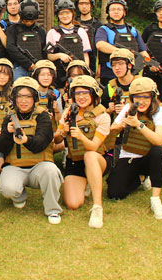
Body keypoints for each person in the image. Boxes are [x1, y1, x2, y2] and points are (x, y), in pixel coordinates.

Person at [0, 77, 64, 224]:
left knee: (51, 171)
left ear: (34, 98)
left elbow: (41, 143)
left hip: (39, 167)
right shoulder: (9, 118)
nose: (23, 101)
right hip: (15, 166)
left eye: (28, 96)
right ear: (14, 98)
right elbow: (2, 148)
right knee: (7, 188)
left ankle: (53, 210)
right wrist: (7, 133)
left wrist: (26, 140)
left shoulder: (43, 116)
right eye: (20, 96)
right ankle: (19, 196)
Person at [107, 77, 162, 220]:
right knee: (115, 193)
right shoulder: (128, 109)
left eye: (145, 97)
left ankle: (155, 199)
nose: (141, 101)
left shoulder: (160, 112)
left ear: (152, 97)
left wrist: (139, 125)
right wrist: (120, 126)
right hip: (129, 156)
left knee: (158, 151)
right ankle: (140, 178)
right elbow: (112, 130)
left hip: (149, 158)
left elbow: (158, 140)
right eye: (137, 97)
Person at [54, 75, 110, 228]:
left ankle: (97, 207)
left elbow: (94, 147)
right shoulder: (68, 113)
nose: (81, 97)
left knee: (90, 155)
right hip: (75, 161)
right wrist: (63, 132)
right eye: (77, 93)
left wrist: (80, 136)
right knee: (72, 203)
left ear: (94, 94)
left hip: (97, 160)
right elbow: (56, 141)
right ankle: (87, 183)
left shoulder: (103, 116)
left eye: (85, 93)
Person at [95, 0, 149, 85]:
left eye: (119, 9)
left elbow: (143, 51)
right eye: (113, 9)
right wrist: (122, 53)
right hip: (110, 74)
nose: (116, 12)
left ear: (124, 12)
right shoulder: (104, 29)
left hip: (131, 74)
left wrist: (148, 62)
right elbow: (100, 45)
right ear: (108, 12)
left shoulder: (133, 30)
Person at [46, 0, 91, 88]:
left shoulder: (81, 31)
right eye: (61, 13)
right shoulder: (52, 32)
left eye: (67, 13)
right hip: (60, 75)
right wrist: (59, 55)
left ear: (72, 14)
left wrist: (85, 69)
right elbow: (49, 56)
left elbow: (85, 54)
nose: (65, 16)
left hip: (79, 73)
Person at [6, 0, 47, 80]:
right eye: (26, 20)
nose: (29, 22)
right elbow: (11, 48)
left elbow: (44, 50)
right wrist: (28, 64)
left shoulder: (40, 30)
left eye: (31, 21)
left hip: (39, 66)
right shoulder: (13, 29)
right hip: (19, 66)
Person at [100, 48, 136, 119]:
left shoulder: (141, 84)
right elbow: (100, 115)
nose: (117, 68)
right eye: (113, 65)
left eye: (120, 64)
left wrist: (127, 109)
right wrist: (109, 110)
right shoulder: (110, 87)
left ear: (129, 65)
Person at [31, 60, 62, 133]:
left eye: (49, 75)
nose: (46, 78)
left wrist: (56, 110)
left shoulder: (55, 93)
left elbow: (60, 120)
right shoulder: (31, 93)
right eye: (42, 75)